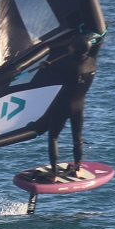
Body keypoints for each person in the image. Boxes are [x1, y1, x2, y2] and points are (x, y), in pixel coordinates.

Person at [44, 31, 102, 182]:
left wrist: (45, 66)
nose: (68, 47)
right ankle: (77, 170)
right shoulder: (92, 62)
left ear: (76, 49)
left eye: (71, 46)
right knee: (77, 138)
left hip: (64, 105)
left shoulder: (68, 66)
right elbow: (98, 42)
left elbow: (50, 70)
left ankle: (54, 173)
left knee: (53, 137)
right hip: (79, 106)